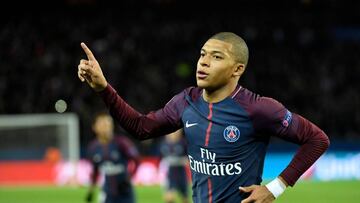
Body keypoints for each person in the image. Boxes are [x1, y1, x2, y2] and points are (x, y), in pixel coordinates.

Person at [78, 32, 330, 203]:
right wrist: (103, 88)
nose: (204, 62)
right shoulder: (185, 102)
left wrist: (275, 188)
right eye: (202, 54)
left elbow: (317, 139)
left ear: (237, 69)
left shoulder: (258, 108)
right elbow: (140, 127)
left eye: (216, 56)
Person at [86, 111, 140, 203]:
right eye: (102, 125)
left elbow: (137, 160)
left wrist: (129, 178)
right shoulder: (93, 148)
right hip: (107, 193)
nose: (106, 128)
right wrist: (91, 190)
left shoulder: (121, 143)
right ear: (95, 128)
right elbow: (95, 170)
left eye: (108, 124)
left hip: (125, 193)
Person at [159, 129, 189, 203]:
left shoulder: (183, 143)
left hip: (181, 173)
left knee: (185, 198)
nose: (175, 134)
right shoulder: (164, 144)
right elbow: (161, 158)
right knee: (169, 198)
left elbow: (188, 158)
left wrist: (184, 161)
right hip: (170, 173)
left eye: (177, 132)